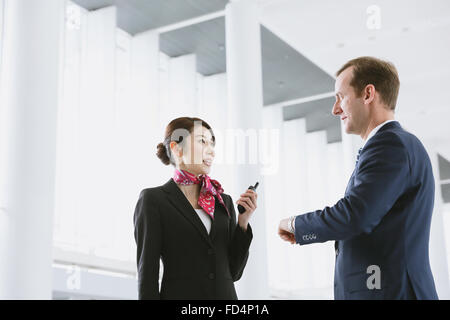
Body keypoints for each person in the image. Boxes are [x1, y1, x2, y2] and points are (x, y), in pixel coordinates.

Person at [278, 56, 438, 300]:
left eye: (341, 97)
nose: (335, 109)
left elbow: (355, 215)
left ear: (368, 94)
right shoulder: (395, 145)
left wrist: (296, 225)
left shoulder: (389, 145)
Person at [133, 117, 257, 299]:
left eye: (212, 144)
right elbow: (147, 276)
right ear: (177, 149)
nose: (211, 151)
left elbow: (234, 272)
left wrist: (243, 223)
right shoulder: (153, 200)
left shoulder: (223, 201)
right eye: (202, 141)